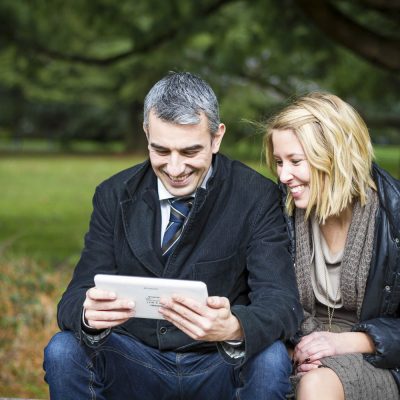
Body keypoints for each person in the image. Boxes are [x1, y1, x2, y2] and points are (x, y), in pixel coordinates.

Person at [43, 72, 302, 400]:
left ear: (217, 138)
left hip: (218, 363)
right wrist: (87, 315)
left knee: (270, 357)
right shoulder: (113, 193)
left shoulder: (256, 196)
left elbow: (282, 304)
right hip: (134, 360)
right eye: (161, 150)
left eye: (190, 151)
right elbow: (73, 298)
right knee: (64, 350)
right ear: (146, 134)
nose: (175, 168)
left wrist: (234, 327)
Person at [264, 92, 400, 400]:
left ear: (335, 155)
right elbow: (260, 295)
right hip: (299, 347)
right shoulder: (277, 211)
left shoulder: (393, 216)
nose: (283, 176)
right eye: (278, 162)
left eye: (296, 162)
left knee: (316, 387)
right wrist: (295, 346)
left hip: (375, 357)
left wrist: (347, 343)